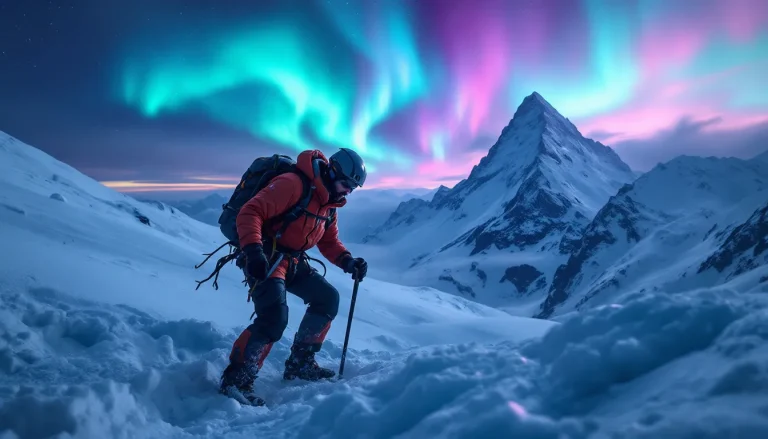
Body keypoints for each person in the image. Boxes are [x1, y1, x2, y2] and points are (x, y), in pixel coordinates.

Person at [219, 147, 369, 406]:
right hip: (264, 254)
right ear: (332, 172)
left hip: (292, 259)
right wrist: (253, 251)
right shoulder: (292, 184)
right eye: (346, 184)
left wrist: (348, 261)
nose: (347, 192)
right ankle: (236, 380)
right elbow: (250, 212)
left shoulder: (329, 204)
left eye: (351, 189)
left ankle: (301, 363)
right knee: (274, 317)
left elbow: (329, 241)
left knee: (327, 299)